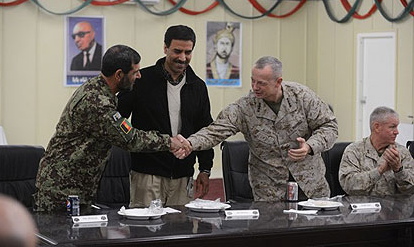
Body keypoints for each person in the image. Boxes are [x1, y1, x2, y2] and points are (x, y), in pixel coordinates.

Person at [34, 45, 190, 212]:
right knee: (64, 236)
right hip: (62, 190)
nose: (139, 75)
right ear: (119, 75)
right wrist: (169, 142)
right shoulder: (97, 102)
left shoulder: (101, 90)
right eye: (135, 72)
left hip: (75, 187)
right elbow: (129, 139)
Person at [188, 56, 338, 201]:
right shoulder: (245, 107)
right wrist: (189, 144)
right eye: (252, 81)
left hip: (310, 185)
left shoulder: (302, 97)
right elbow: (215, 131)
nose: (255, 87)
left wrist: (310, 146)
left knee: (316, 226)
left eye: (261, 83)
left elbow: (329, 126)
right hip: (270, 191)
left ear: (278, 82)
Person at [117, 25, 214, 207]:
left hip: (183, 175)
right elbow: (117, 119)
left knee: (180, 231)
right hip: (147, 174)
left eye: (188, 52)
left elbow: (205, 129)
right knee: (146, 232)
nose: (182, 58)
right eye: (177, 51)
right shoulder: (141, 80)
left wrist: (205, 169)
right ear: (165, 48)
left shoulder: (198, 86)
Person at [339, 106, 414, 196]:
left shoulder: (401, 152)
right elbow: (348, 186)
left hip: (394, 208)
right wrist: (379, 171)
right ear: (377, 127)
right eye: (392, 127)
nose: (397, 132)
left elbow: (410, 190)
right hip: (363, 208)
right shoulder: (354, 151)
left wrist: (399, 170)